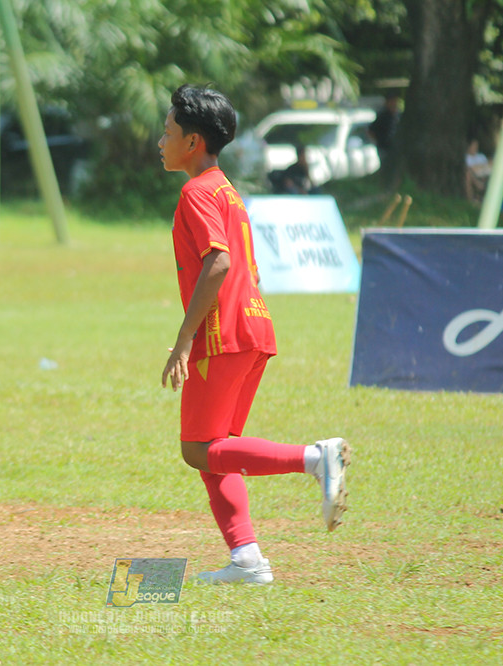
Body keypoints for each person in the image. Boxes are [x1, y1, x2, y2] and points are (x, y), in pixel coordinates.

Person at [157, 84, 351, 585]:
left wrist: (184, 342)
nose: (161, 140)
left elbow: (218, 263)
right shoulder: (228, 191)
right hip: (255, 325)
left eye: (169, 130)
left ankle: (314, 457)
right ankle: (246, 560)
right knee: (218, 449)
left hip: (223, 335)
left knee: (198, 449)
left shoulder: (196, 191)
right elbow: (250, 271)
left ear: (193, 142)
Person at [369, 91, 400, 178]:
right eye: (392, 101)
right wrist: (378, 141)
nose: (394, 103)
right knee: (386, 168)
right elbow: (371, 131)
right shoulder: (382, 116)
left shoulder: (398, 115)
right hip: (384, 147)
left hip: (396, 148)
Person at [464, 138, 491, 205]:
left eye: (476, 146)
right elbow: (470, 169)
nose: (475, 148)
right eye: (473, 146)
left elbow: (489, 165)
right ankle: (472, 199)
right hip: (474, 177)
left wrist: (479, 167)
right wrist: (481, 166)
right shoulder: (467, 157)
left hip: (485, 175)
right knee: (468, 174)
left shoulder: (481, 156)